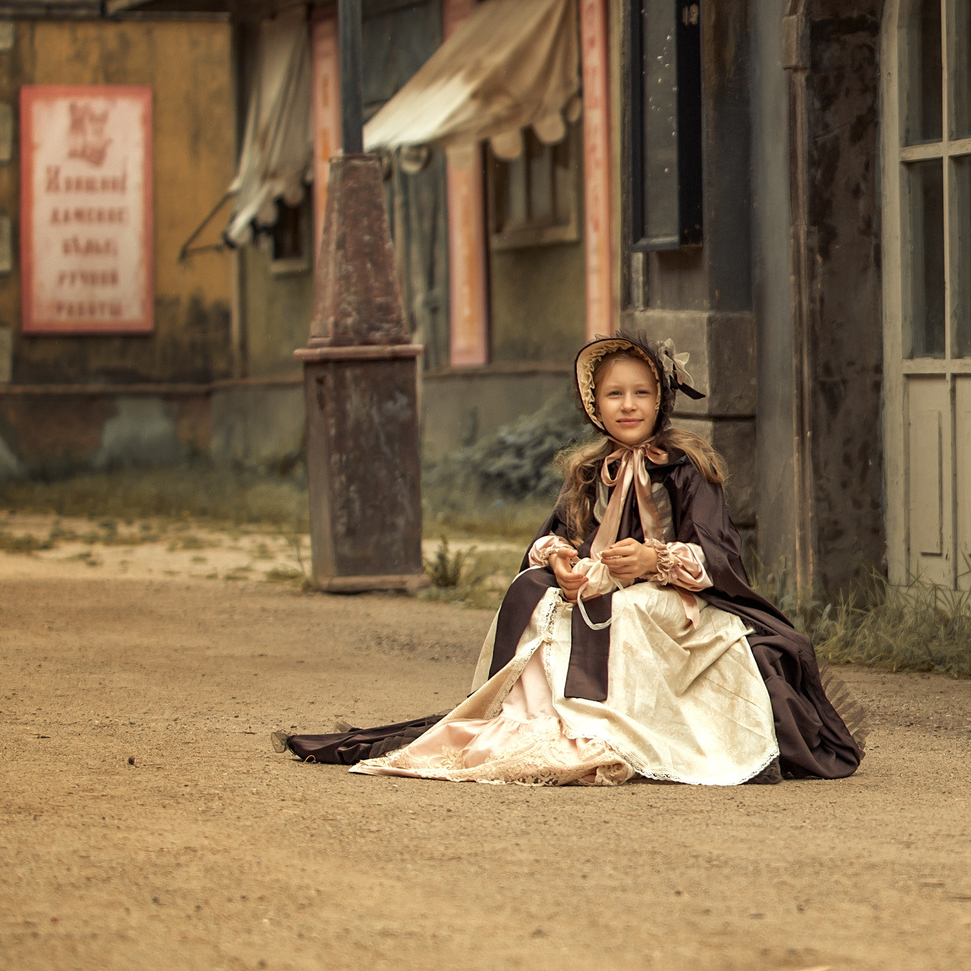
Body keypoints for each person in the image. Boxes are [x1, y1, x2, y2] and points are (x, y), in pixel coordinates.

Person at [283, 336, 863, 786]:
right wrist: (561, 560)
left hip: (673, 598)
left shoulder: (686, 467)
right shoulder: (589, 470)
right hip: (600, 584)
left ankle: (613, 729)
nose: (628, 405)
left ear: (660, 399)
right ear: (595, 404)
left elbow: (717, 553)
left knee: (628, 612)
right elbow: (558, 535)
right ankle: (541, 723)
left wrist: (654, 559)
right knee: (534, 592)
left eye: (641, 393)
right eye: (614, 394)